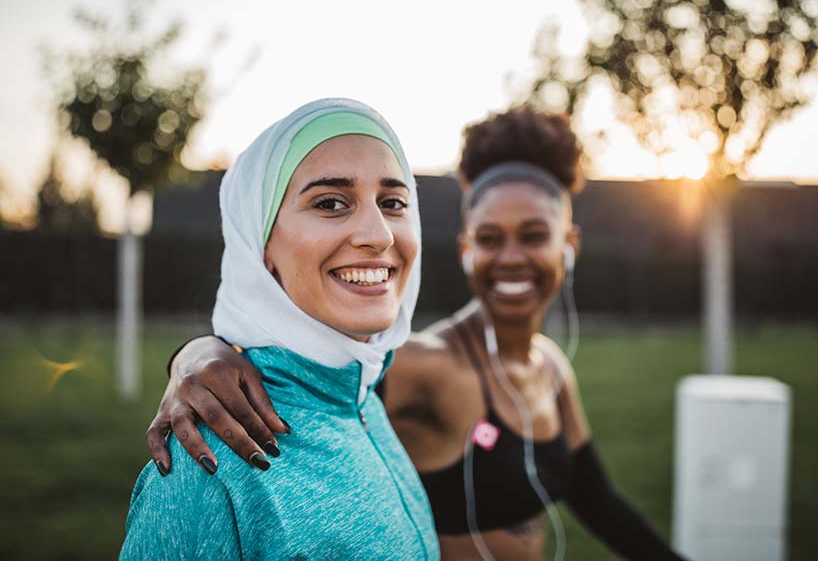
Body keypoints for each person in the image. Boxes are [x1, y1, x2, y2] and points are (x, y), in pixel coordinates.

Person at [147, 107, 685, 560]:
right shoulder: (424, 365)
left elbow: (597, 499)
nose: (512, 258)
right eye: (490, 238)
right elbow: (310, 379)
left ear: (569, 243)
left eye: (534, 236)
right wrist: (198, 354)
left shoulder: (551, 369)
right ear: (464, 248)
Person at [121, 98, 439, 560]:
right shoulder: (206, 465)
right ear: (259, 246)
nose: (380, 235)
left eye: (393, 202)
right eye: (331, 203)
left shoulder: (362, 401)